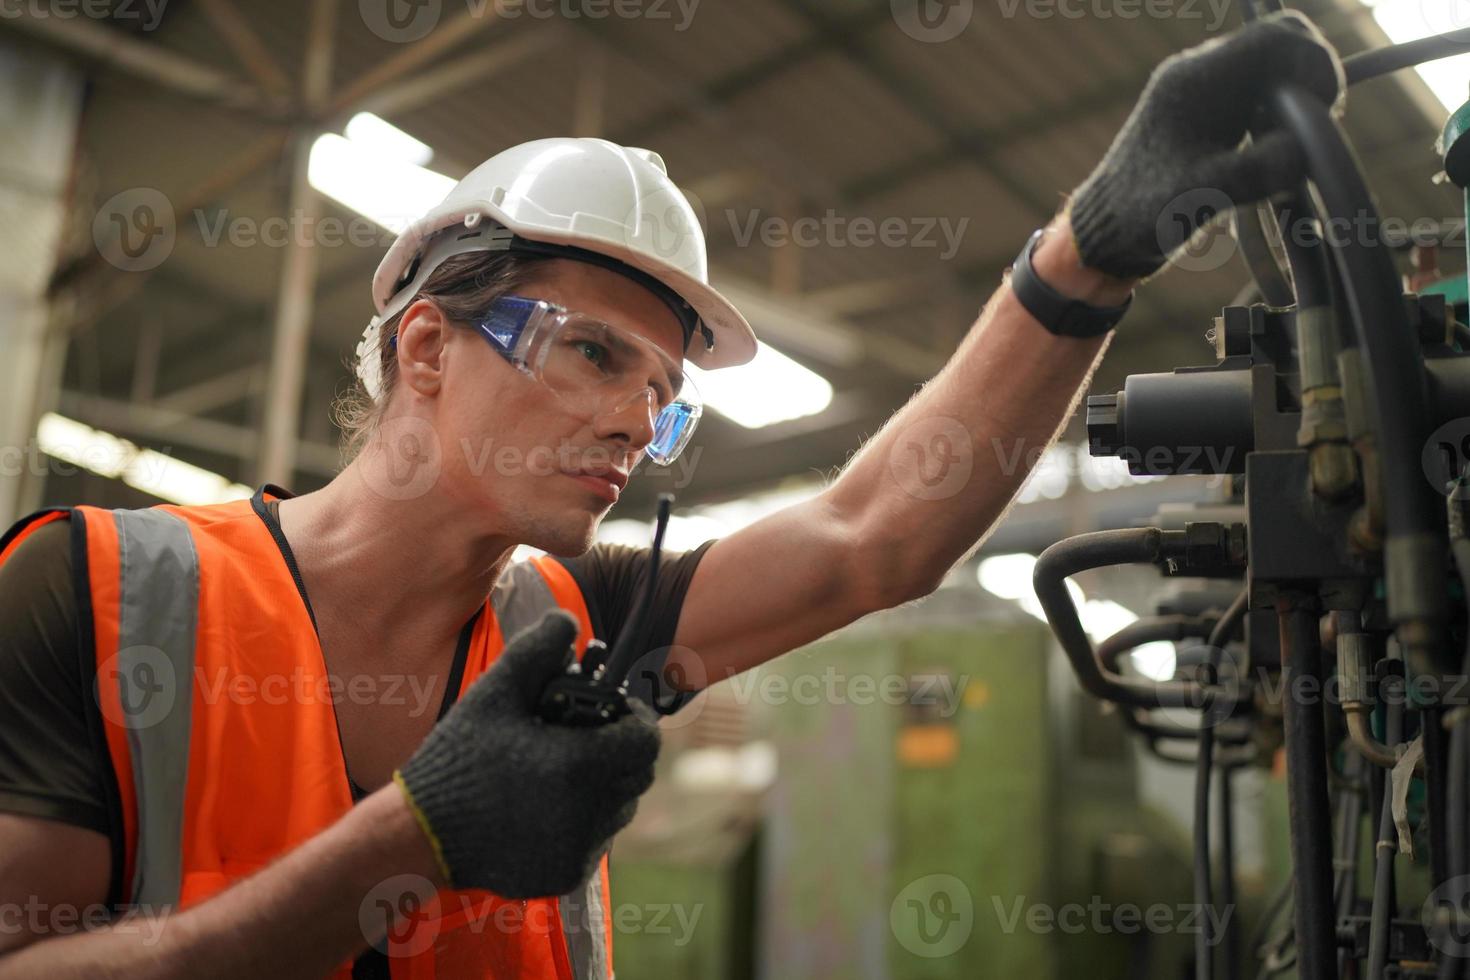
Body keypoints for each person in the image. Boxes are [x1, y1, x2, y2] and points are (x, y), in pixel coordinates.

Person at [0, 11, 1343, 979]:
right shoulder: (100, 591)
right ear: (424, 346)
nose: (634, 423)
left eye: (663, 394)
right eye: (590, 354)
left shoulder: (576, 623)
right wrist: (410, 845)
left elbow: (870, 535)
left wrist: (1087, 254)